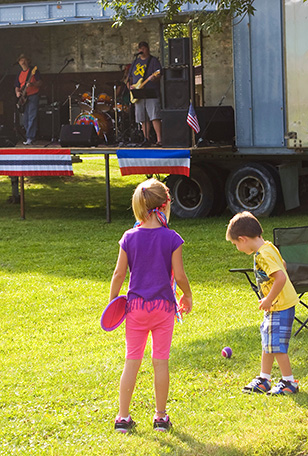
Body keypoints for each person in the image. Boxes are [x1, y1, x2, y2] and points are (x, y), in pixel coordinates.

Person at [109, 178, 193, 433]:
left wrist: (113, 303)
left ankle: (123, 418)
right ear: (166, 205)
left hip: (135, 309)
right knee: (161, 362)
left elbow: (118, 275)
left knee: (131, 362)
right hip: (164, 310)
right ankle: (160, 417)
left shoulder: (128, 237)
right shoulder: (172, 238)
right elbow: (178, 276)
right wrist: (187, 295)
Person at [226, 211, 299, 395]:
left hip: (279, 305)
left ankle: (289, 382)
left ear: (242, 239)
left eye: (235, 244)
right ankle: (264, 378)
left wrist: (269, 298)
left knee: (277, 346)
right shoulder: (268, 247)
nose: (237, 247)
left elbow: (280, 277)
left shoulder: (262, 255)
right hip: (277, 305)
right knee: (268, 342)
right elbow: (282, 264)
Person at [127, 41, 162, 146]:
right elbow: (129, 78)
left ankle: (159, 140)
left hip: (151, 92)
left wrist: (154, 77)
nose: (142, 50)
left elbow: (159, 75)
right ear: (138, 50)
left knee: (154, 116)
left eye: (144, 48)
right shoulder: (135, 62)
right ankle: (146, 139)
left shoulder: (153, 61)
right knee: (142, 118)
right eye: (140, 48)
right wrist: (130, 87)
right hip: (138, 93)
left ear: (148, 49)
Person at [14, 54, 42, 145]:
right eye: (21, 60)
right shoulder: (19, 74)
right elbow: (17, 86)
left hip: (33, 95)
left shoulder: (34, 71)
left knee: (32, 117)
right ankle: (28, 136)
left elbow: (40, 82)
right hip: (24, 98)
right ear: (19, 62)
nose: (23, 62)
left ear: (28, 61)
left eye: (24, 60)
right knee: (25, 118)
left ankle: (30, 137)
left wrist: (32, 84)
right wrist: (17, 93)